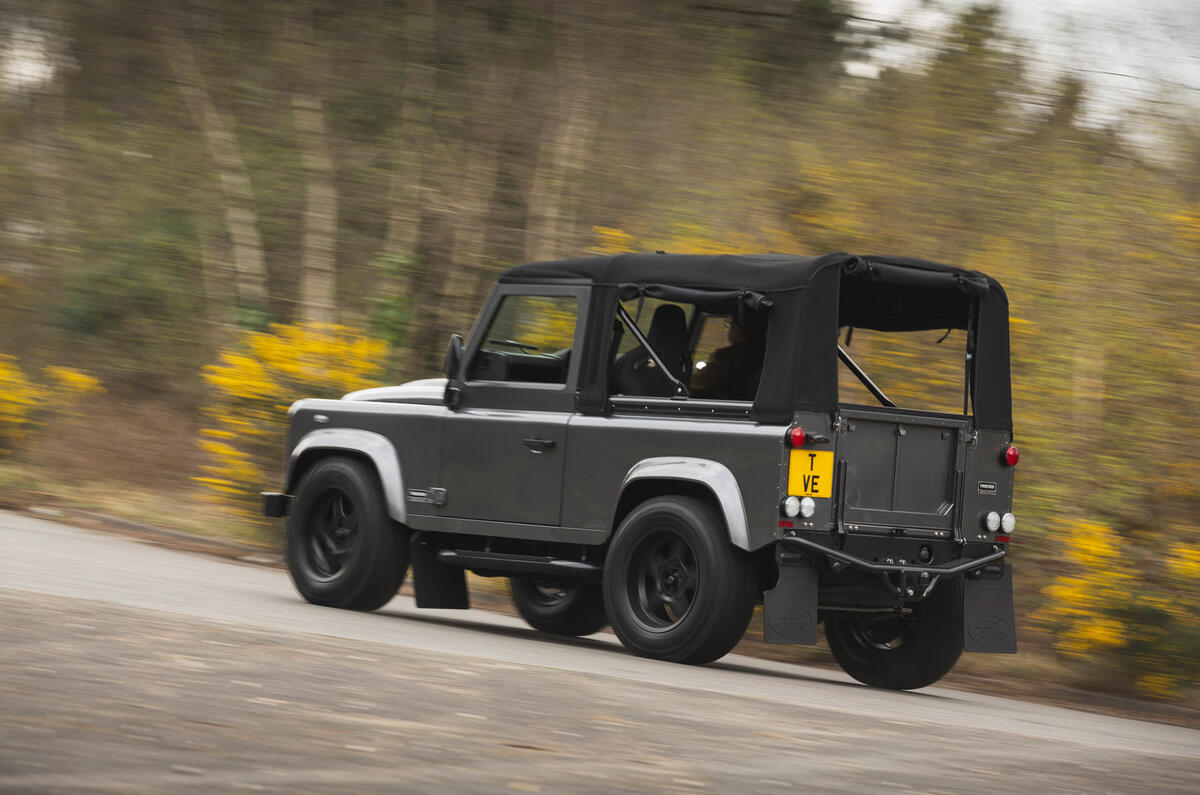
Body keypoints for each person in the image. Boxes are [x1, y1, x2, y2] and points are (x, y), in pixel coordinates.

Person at [691, 310, 767, 400]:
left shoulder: (726, 357)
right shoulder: (771, 356)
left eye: (729, 324)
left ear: (735, 329)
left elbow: (695, 385)